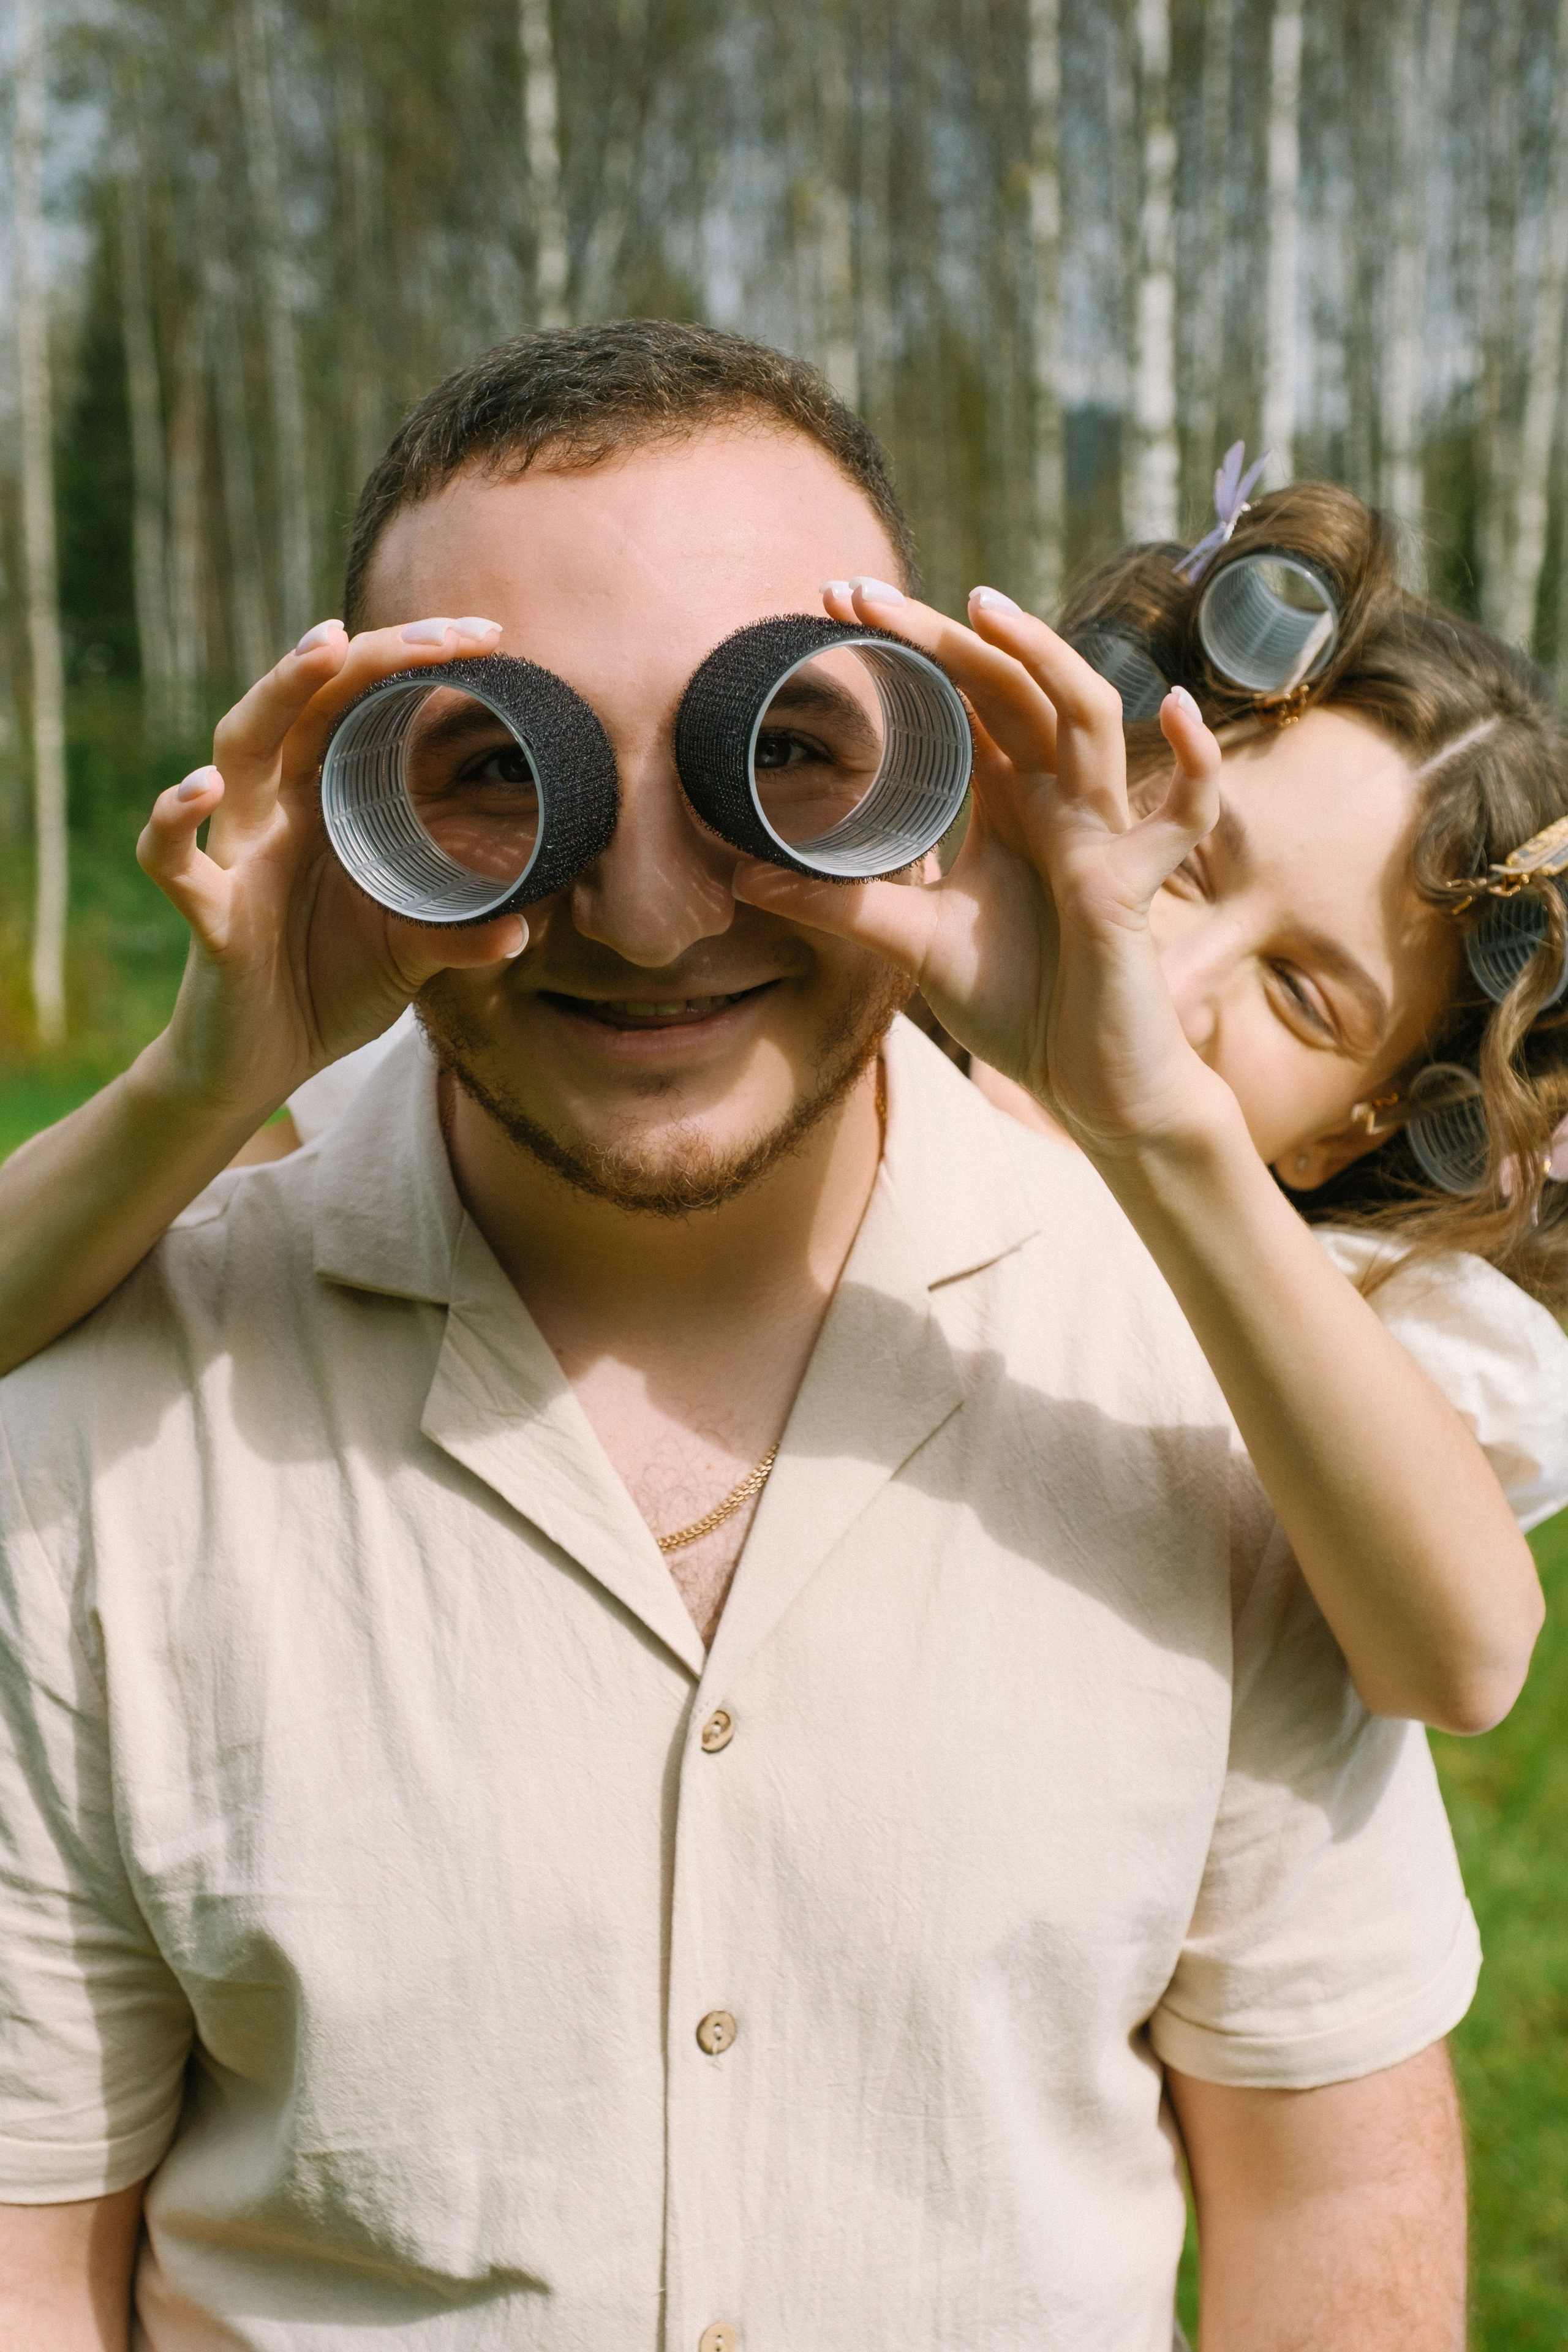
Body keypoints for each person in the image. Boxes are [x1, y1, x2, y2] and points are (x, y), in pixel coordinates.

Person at [0, 320, 1523, 2349]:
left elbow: (1336, 2213)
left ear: (932, 769)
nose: (645, 909)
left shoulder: (1238, 1415)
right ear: (351, 785)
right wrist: (209, 1075)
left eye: (770, 754)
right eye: (501, 767)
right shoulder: (104, 1435)